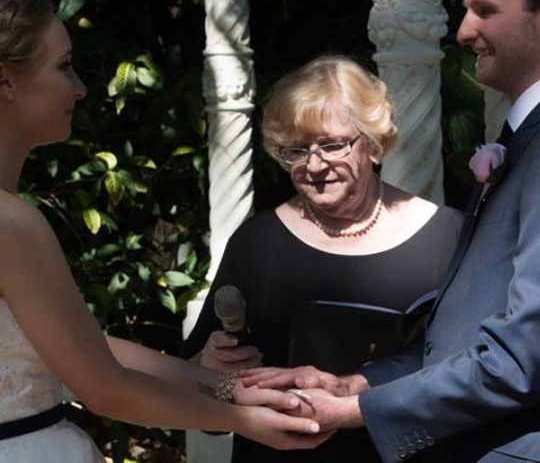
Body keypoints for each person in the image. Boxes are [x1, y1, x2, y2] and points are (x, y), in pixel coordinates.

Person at [241, 0, 540, 461]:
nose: (464, 31)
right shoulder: (519, 143)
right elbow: (456, 342)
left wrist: (355, 411)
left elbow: (523, 357)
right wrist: (355, 386)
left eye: (486, 11)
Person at [0, 0, 330, 462]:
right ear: (6, 82)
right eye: (64, 65)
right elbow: (104, 388)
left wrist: (228, 388)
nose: (80, 87)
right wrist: (250, 421)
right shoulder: (12, 223)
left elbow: (79, 346)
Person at [181, 55, 463, 462]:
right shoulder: (257, 244)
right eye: (297, 149)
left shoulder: (445, 236)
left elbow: (472, 374)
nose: (314, 165)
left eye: (332, 145)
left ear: (372, 141)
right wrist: (209, 372)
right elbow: (201, 402)